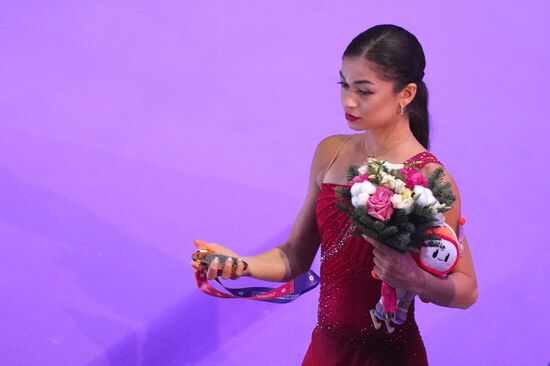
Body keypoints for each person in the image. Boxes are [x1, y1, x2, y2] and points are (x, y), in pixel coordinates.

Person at [190, 24, 478, 365]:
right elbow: (295, 255)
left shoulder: (430, 179)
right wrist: (239, 264)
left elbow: (465, 290)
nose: (349, 101)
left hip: (388, 357)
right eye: (344, 84)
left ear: (406, 94)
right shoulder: (332, 152)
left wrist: (416, 280)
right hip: (325, 351)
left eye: (365, 91)